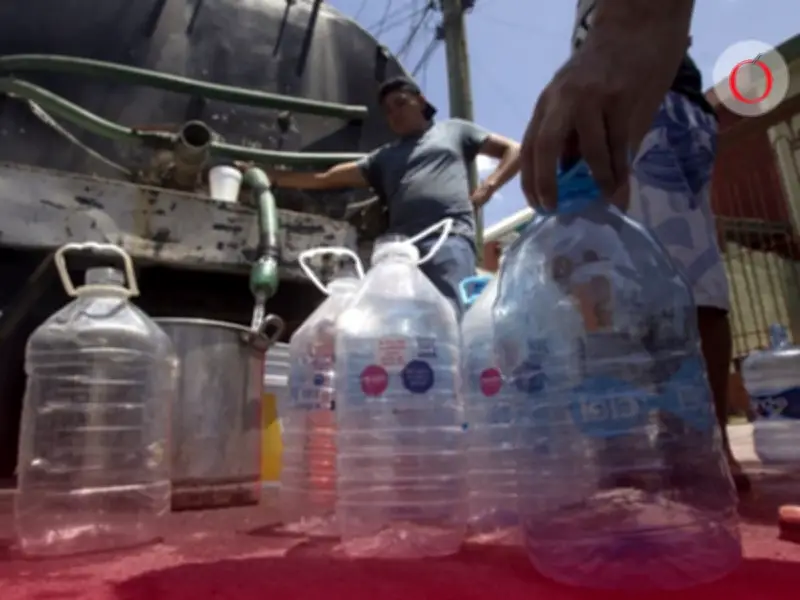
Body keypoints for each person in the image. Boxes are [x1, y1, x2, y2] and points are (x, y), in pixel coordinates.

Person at [520, 0, 749, 491]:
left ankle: (702, 444)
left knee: (686, 271)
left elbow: (662, 31)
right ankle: (636, 443)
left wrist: (634, 26)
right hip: (620, 103)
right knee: (610, 283)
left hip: (657, 101)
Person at [245, 77, 520, 318]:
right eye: (388, 111)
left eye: (401, 103)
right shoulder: (383, 157)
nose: (395, 114)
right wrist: (273, 177)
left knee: (453, 314)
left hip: (448, 238)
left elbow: (514, 150)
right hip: (400, 251)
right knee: (400, 320)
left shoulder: (454, 130)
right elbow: (327, 178)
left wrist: (490, 185)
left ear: (420, 101)